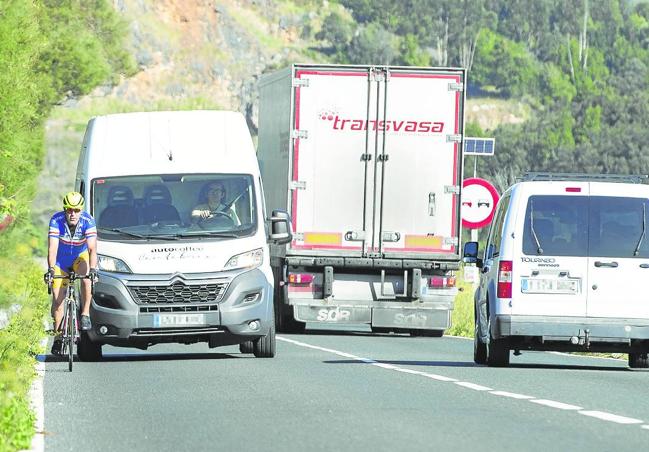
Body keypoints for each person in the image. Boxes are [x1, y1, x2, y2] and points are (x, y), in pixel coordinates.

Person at [45, 192, 98, 356]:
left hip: (78, 258)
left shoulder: (88, 221)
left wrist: (94, 269)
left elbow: (92, 249)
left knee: (86, 275)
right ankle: (58, 338)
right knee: (58, 301)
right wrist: (51, 270)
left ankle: (85, 314)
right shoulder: (56, 220)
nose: (72, 214)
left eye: (76, 210)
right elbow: (52, 248)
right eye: (69, 210)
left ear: (81, 210)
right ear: (65, 210)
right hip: (61, 261)